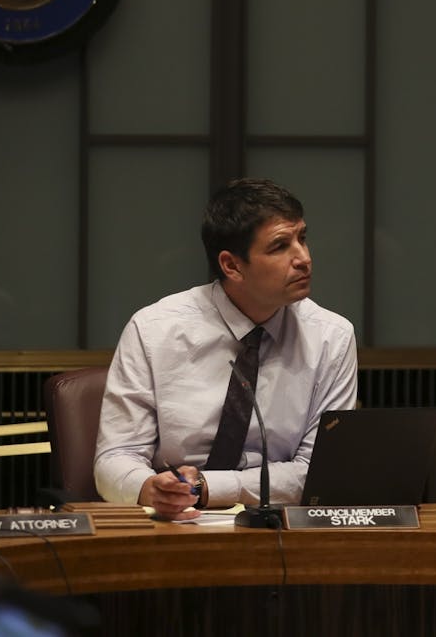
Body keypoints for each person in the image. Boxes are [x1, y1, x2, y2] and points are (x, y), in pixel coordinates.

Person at [94, 178, 358, 519]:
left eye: (302, 238)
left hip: (279, 524)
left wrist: (209, 487)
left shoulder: (331, 337)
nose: (304, 258)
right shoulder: (154, 330)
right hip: (171, 523)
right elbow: (116, 456)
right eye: (280, 246)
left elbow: (319, 472)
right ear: (231, 265)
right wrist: (152, 489)